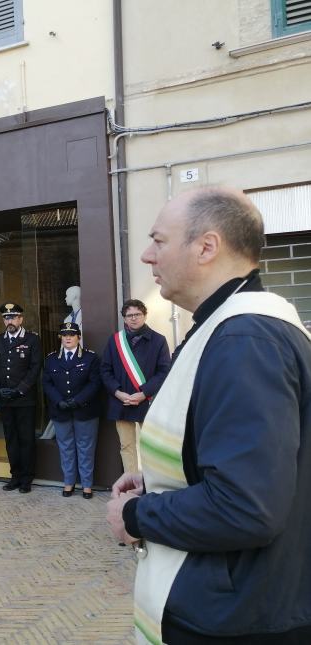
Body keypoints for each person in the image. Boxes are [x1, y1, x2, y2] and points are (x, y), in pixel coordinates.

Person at [106, 186, 311, 644]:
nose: (146, 255)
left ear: (206, 247)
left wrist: (136, 515)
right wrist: (163, 478)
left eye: (158, 240)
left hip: (234, 617)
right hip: (236, 603)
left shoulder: (245, 340)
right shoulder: (229, 328)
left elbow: (245, 507)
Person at [100, 299, 170, 474]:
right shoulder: (115, 340)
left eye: (137, 314)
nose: (133, 318)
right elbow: (105, 370)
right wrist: (117, 392)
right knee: (127, 446)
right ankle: (131, 484)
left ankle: (151, 484)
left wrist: (144, 393)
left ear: (144, 315)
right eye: (129, 315)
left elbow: (164, 371)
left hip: (147, 401)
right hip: (121, 402)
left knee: (151, 447)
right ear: (124, 318)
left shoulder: (159, 340)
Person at [0, 303, 42, 493]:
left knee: (26, 439)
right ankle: (15, 476)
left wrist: (19, 390)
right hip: (5, 399)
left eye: (13, 317)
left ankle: (27, 478)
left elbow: (35, 368)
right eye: (6, 318)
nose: (9, 321)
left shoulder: (32, 339)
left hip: (24, 399)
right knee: (11, 439)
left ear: (21, 319)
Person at [42, 322, 100, 498]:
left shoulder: (90, 358)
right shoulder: (51, 358)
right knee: (65, 448)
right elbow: (47, 383)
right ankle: (69, 483)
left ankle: (87, 485)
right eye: (64, 334)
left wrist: (77, 401)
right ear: (61, 337)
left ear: (78, 337)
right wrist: (59, 401)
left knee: (86, 448)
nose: (67, 337)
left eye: (72, 334)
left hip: (85, 411)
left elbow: (95, 383)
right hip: (61, 411)